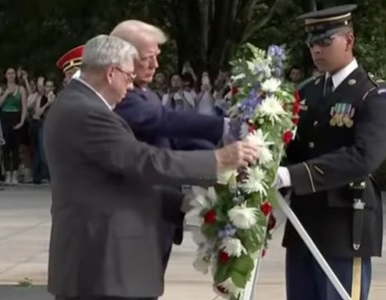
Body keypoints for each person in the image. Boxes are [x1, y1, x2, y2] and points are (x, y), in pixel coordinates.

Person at [44, 34, 260, 300]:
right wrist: (218, 160)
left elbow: (115, 178)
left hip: (104, 262)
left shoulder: (81, 104)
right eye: (128, 77)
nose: (130, 87)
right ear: (111, 73)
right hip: (100, 264)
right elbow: (141, 160)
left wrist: (180, 202)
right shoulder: (86, 111)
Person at [275, 4, 386, 300]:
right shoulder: (307, 92)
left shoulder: (372, 94)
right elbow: (296, 146)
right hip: (304, 219)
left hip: (344, 223)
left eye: (325, 41)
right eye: (312, 43)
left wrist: (292, 175)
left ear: (349, 41)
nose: (316, 49)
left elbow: (363, 157)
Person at [110, 20, 229, 278]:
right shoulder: (122, 99)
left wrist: (224, 158)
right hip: (135, 219)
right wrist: (224, 130)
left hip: (159, 214)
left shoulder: (146, 94)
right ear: (123, 58)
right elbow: (163, 122)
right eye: (148, 58)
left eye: (157, 57)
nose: (155, 65)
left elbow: (175, 140)